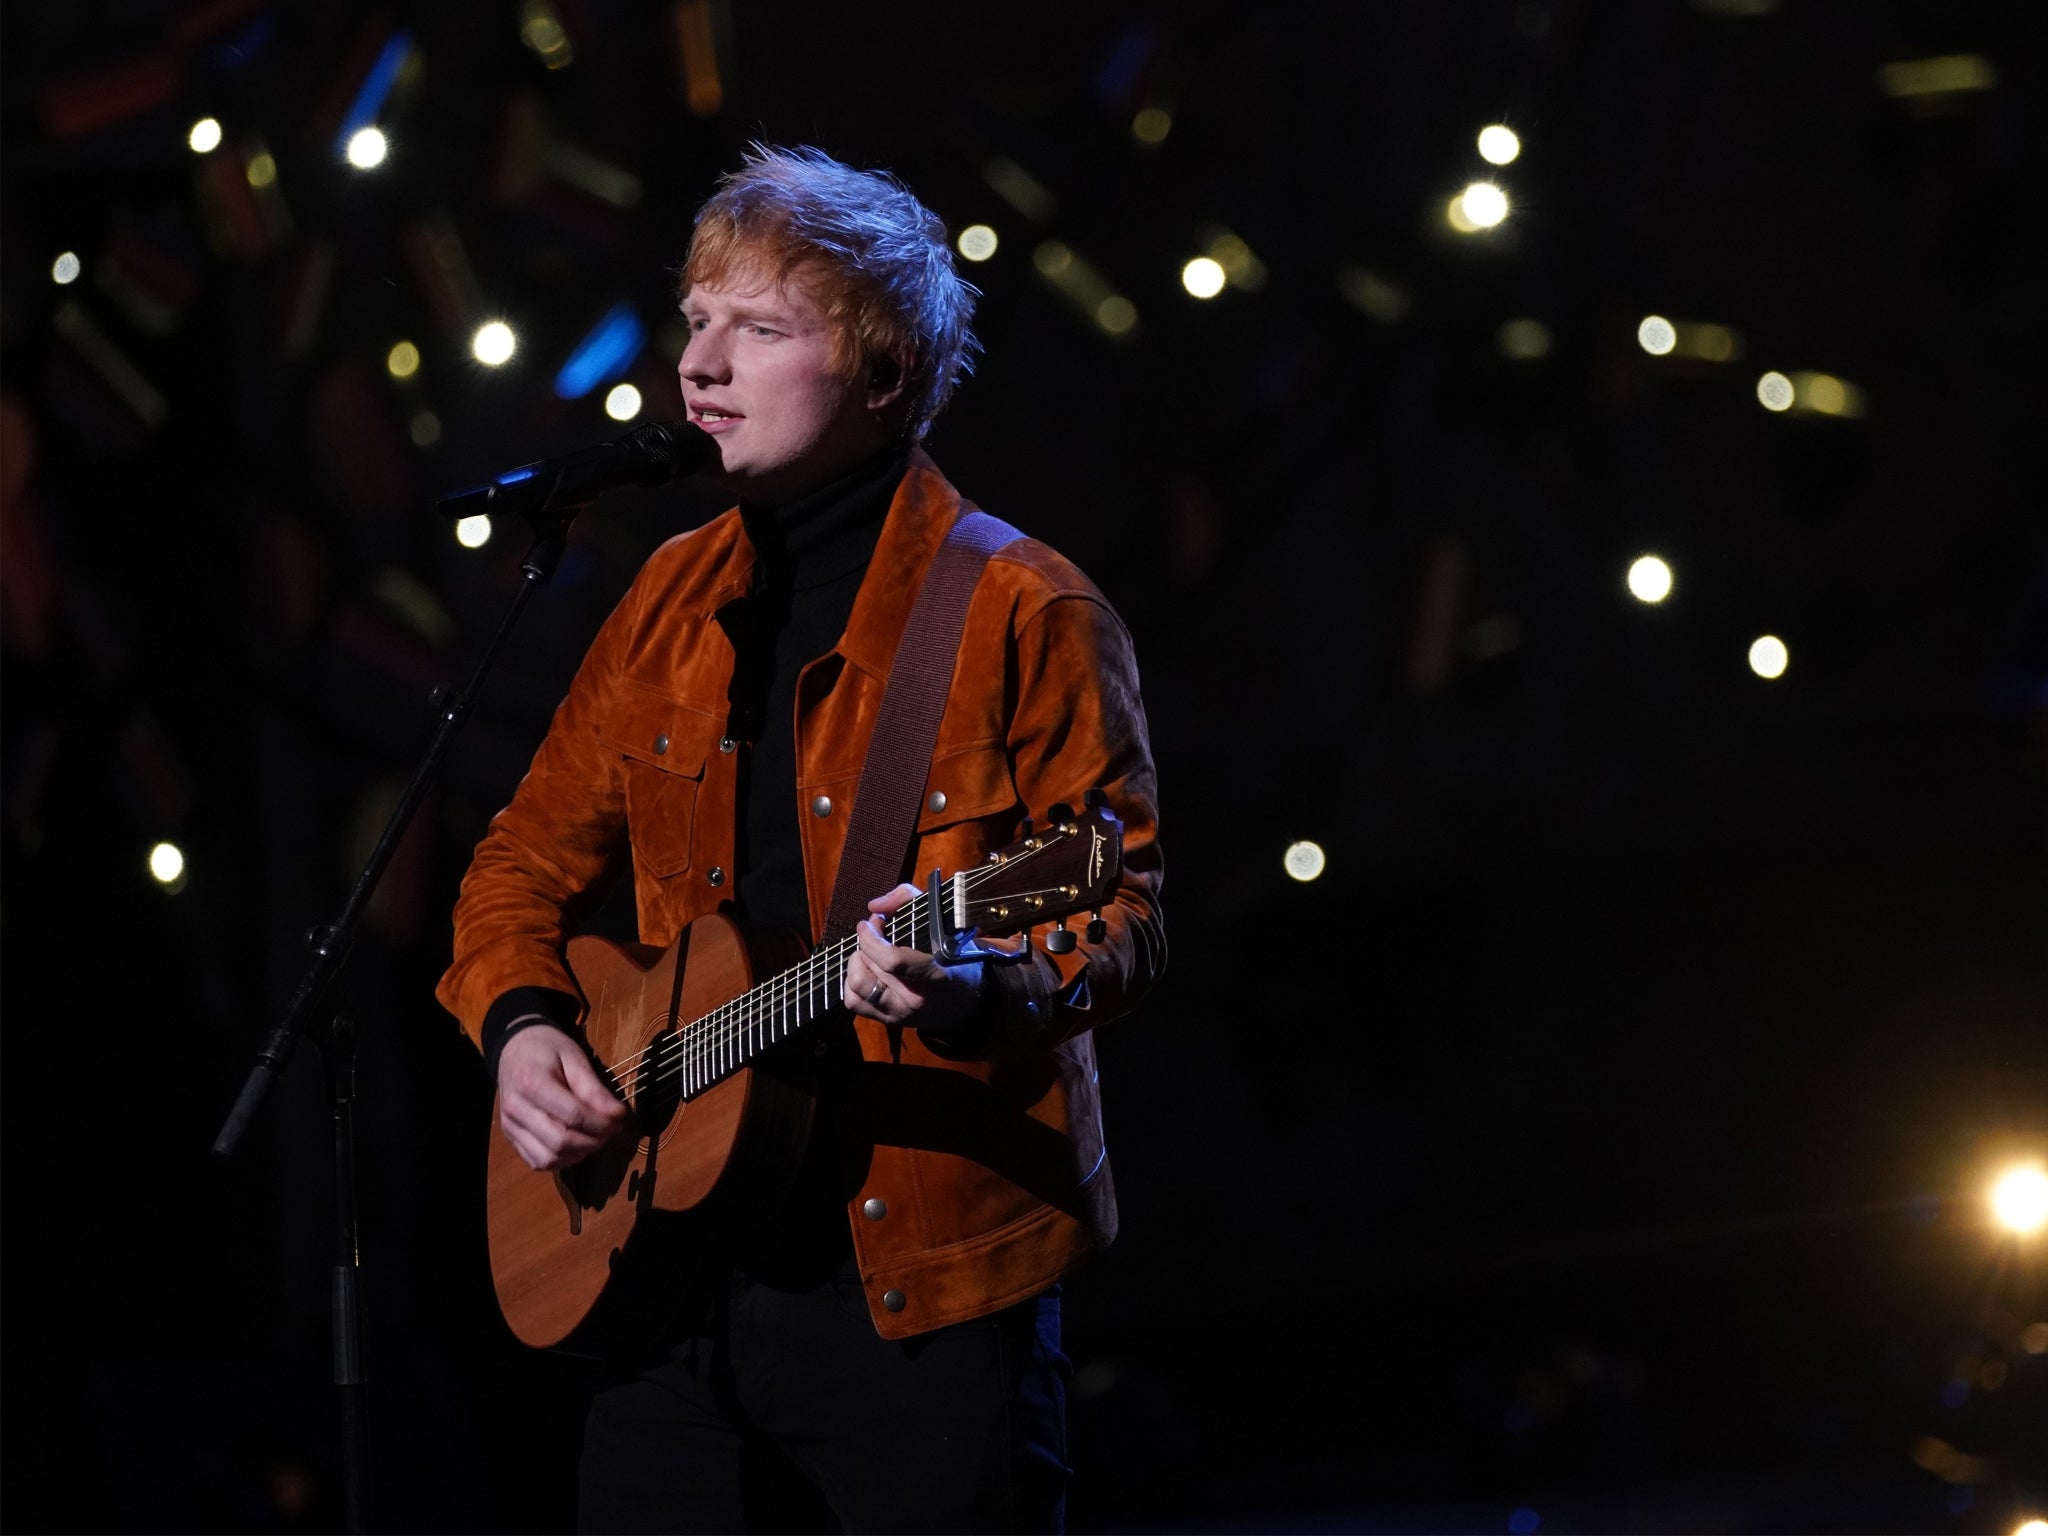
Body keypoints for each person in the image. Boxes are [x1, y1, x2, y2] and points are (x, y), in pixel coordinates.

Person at [434, 143, 1165, 1533]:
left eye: (759, 330)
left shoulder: (1021, 611)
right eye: (699, 320)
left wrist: (976, 984)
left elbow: (1118, 907)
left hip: (920, 1305)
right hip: (665, 1295)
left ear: (884, 373)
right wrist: (525, 1025)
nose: (699, 365)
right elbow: (518, 863)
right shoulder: (665, 598)